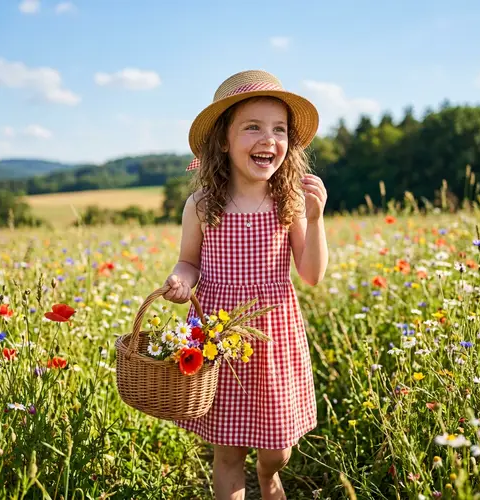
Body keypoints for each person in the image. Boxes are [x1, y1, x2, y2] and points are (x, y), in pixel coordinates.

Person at [162, 69, 329, 500]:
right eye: (252, 127)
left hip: (273, 337)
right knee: (228, 452)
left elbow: (311, 274)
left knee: (279, 448)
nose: (268, 139)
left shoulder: (288, 201)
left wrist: (316, 218)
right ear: (223, 140)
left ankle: (270, 477)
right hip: (219, 339)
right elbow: (188, 261)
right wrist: (179, 279)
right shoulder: (201, 205)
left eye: (279, 129)